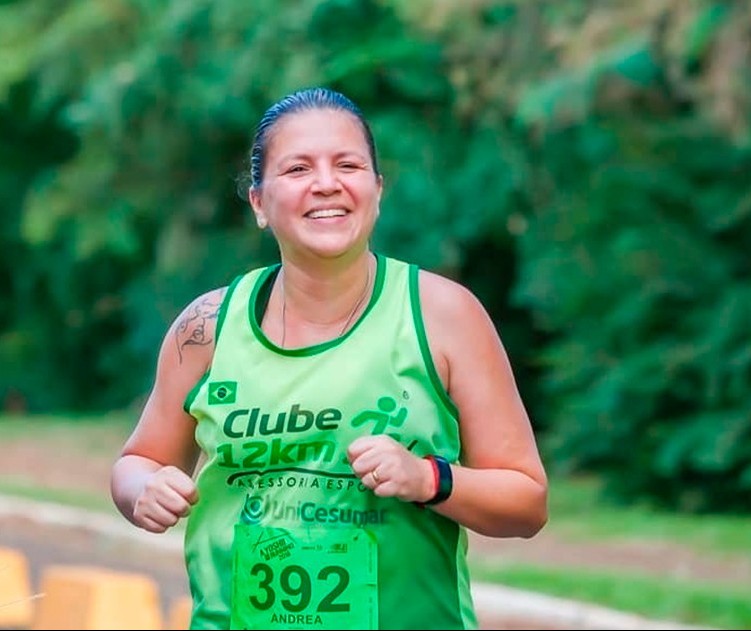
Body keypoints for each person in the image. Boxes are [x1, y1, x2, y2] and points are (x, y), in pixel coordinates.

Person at [110, 86, 548, 630]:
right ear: (258, 203)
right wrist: (144, 491)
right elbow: (138, 463)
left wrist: (429, 478)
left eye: (348, 164)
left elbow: (526, 502)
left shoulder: (444, 314)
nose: (326, 183)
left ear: (377, 190)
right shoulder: (207, 327)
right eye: (297, 169)